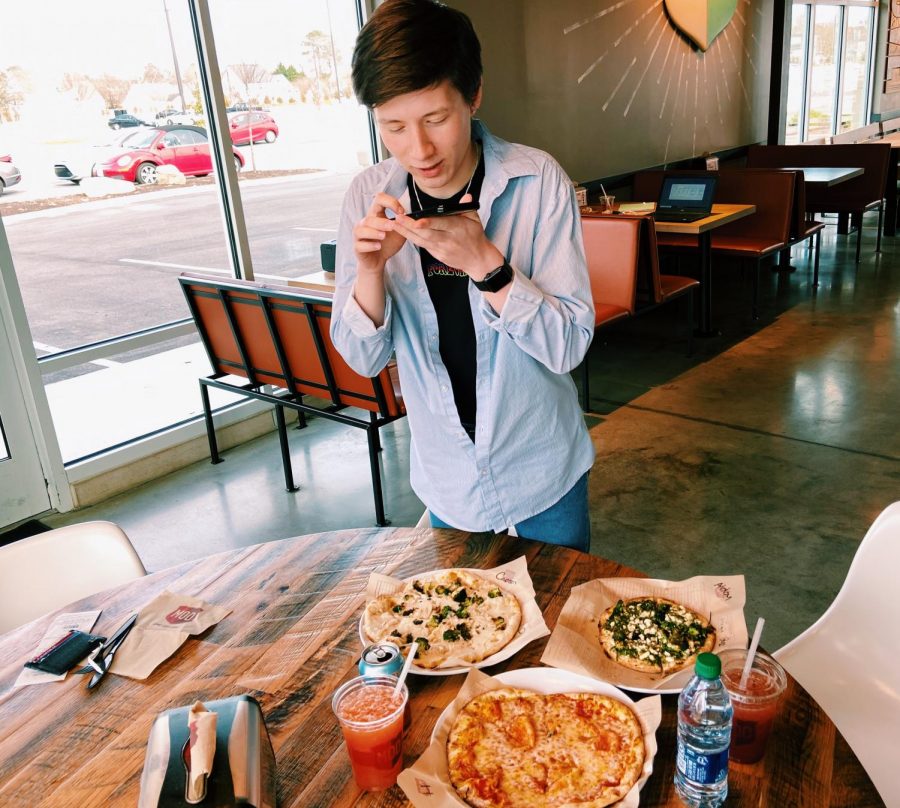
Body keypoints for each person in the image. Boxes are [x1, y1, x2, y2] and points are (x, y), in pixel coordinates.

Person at [331, 0, 595, 551]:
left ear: (473, 96)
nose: (418, 149)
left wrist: (488, 267)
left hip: (543, 469)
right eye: (394, 127)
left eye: (436, 119)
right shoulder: (369, 195)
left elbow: (568, 346)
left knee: (561, 623)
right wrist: (370, 271)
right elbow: (362, 360)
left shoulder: (536, 180)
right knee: (462, 629)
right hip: (448, 480)